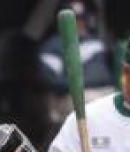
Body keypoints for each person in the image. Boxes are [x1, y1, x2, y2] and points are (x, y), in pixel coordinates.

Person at [38, 1, 114, 137]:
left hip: (103, 92)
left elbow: (107, 75)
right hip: (70, 98)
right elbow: (52, 82)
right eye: (74, 20)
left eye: (81, 18)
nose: (79, 24)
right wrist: (81, 82)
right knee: (94, 104)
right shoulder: (52, 47)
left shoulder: (94, 42)